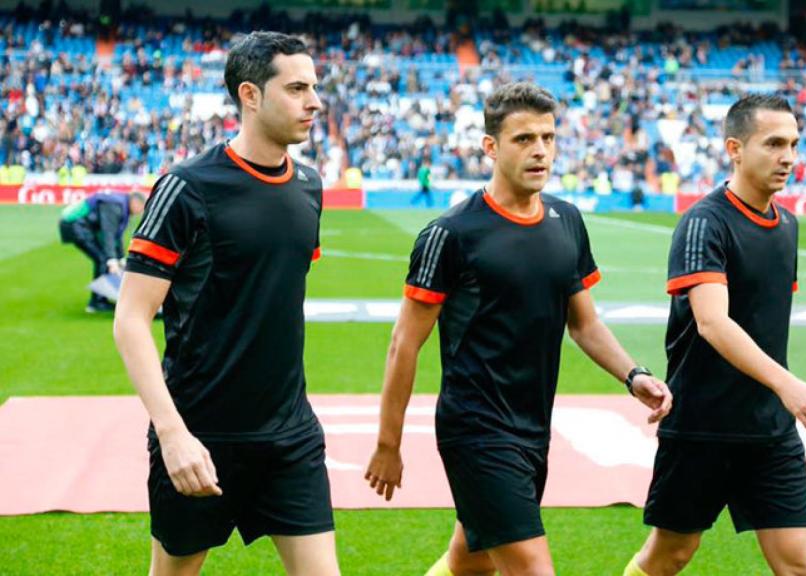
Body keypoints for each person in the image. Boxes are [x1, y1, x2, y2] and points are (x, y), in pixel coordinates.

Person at [364, 82, 673, 576]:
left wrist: (634, 375)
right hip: (476, 430)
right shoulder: (452, 234)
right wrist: (388, 443)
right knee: (531, 568)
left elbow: (585, 324)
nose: (540, 151)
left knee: (471, 561)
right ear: (491, 147)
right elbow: (404, 344)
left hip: (533, 426)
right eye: (524, 139)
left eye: (548, 138)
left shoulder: (566, 221)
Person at [112, 32, 340, 576]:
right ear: (250, 95)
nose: (314, 101)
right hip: (199, 436)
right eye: (297, 88)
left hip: (290, 435)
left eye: (315, 86)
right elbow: (130, 319)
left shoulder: (309, 185)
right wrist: (172, 434)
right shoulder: (186, 187)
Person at [623, 94, 806, 576]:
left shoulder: (787, 225)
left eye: (794, 144)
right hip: (702, 425)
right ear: (735, 149)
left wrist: (778, 396)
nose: (788, 156)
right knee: (669, 555)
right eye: (774, 143)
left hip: (769, 430)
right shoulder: (705, 222)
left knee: (800, 563)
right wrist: (789, 385)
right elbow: (712, 322)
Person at [58, 191, 146, 312]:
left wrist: (120, 258)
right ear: (135, 202)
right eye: (141, 208)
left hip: (82, 226)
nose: (140, 213)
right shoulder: (114, 206)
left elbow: (116, 236)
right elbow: (108, 232)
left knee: (103, 259)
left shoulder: (120, 204)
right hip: (74, 226)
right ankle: (96, 302)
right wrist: (111, 259)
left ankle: (100, 299)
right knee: (102, 260)